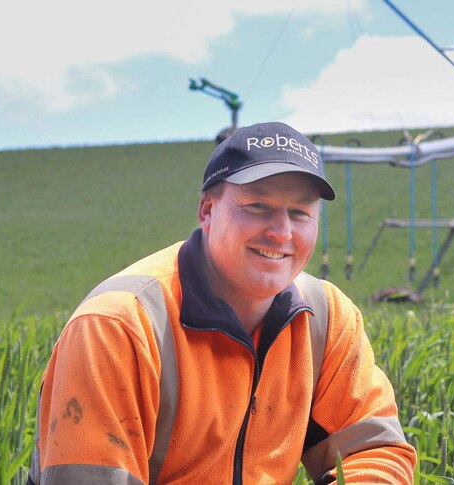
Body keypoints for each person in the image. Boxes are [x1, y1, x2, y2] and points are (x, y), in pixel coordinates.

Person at [28, 121, 416, 484]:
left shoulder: (326, 317)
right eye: (257, 206)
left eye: (299, 213)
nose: (281, 232)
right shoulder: (119, 326)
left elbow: (375, 451)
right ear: (207, 210)